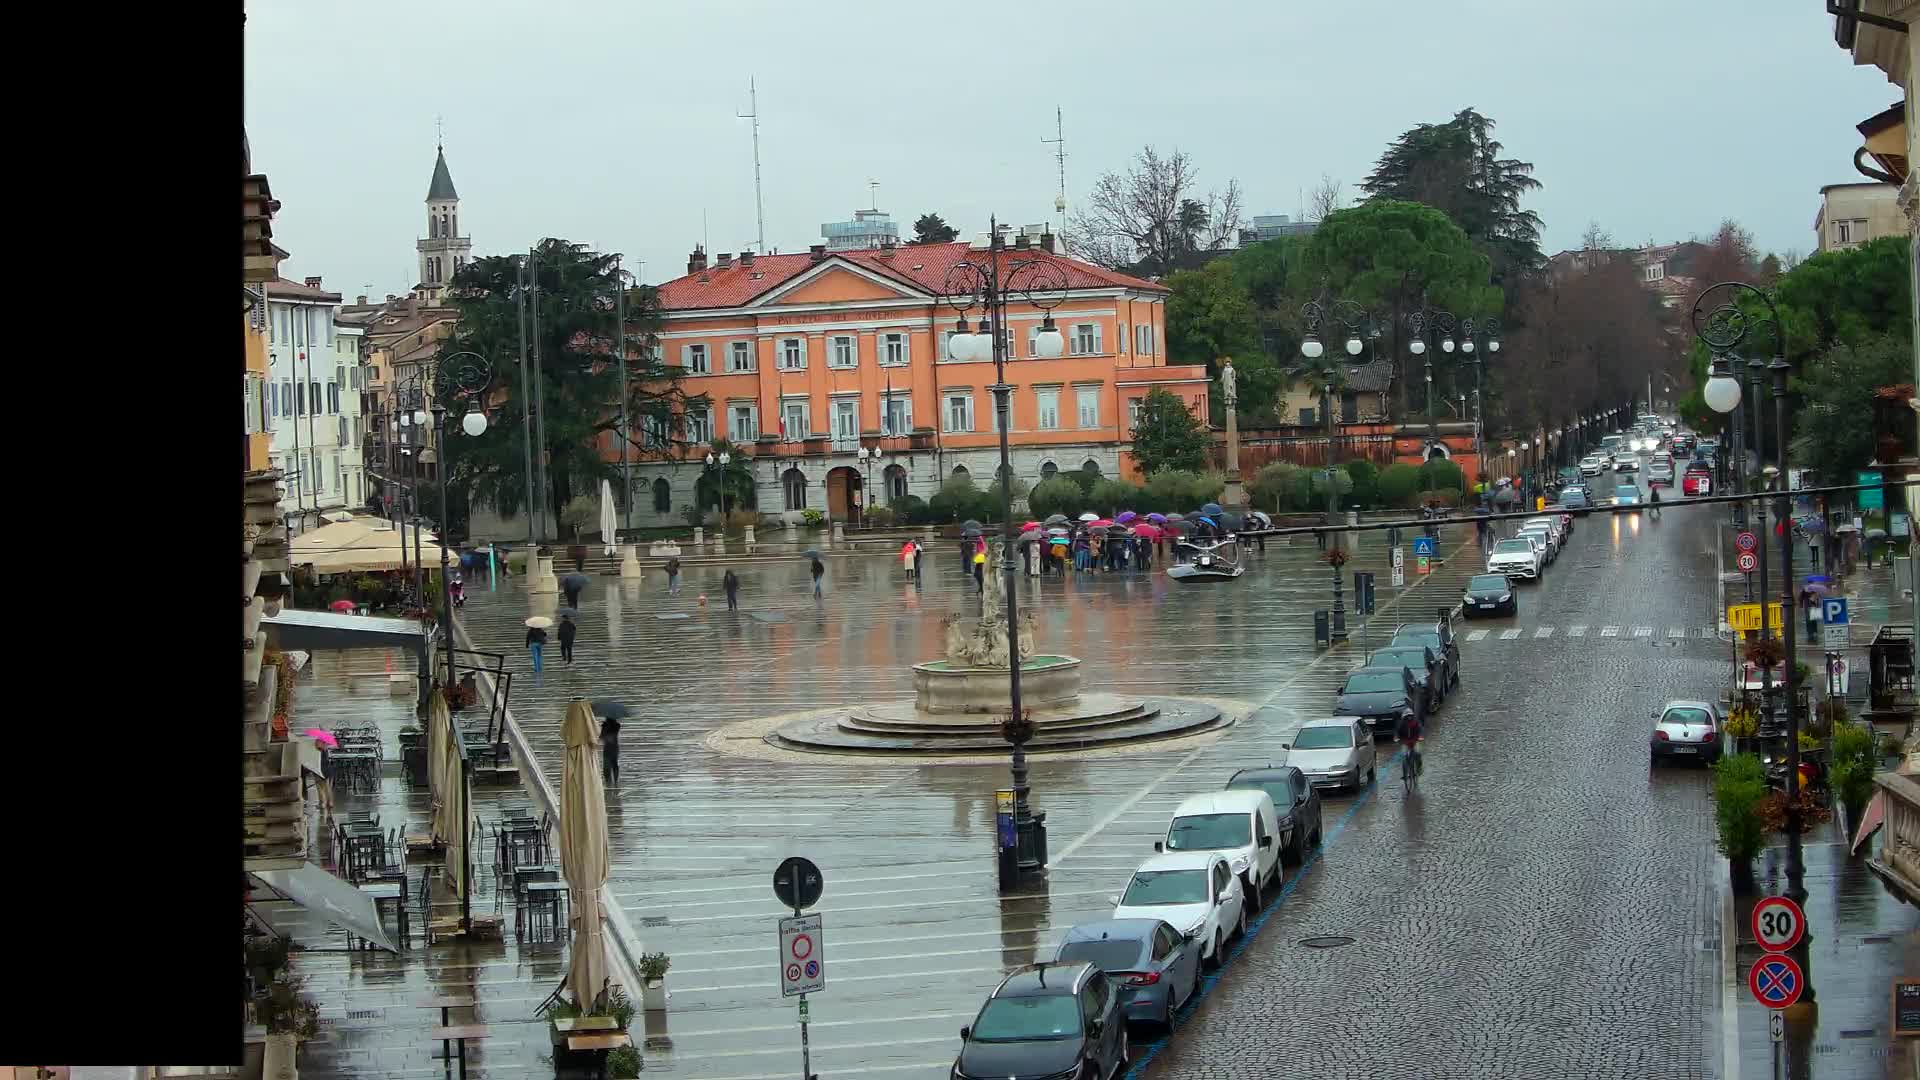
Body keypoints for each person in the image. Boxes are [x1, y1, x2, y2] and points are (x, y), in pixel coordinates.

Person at [1397, 709, 1423, 775]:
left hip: (1415, 740)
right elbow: (1397, 731)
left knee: (1418, 753)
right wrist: (1396, 737)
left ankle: (1419, 767)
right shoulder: (1401, 723)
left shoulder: (1416, 722)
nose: (1409, 717)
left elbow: (1420, 729)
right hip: (1405, 742)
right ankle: (1405, 771)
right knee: (1404, 754)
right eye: (1407, 716)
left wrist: (1420, 736)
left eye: (1410, 716)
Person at [600, 711, 621, 788]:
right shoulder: (616, 725)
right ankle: (613, 781)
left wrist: (605, 727)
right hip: (614, 747)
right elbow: (602, 736)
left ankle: (611, 781)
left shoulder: (615, 726)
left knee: (609, 765)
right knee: (613, 764)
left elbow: (602, 736)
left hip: (609, 748)